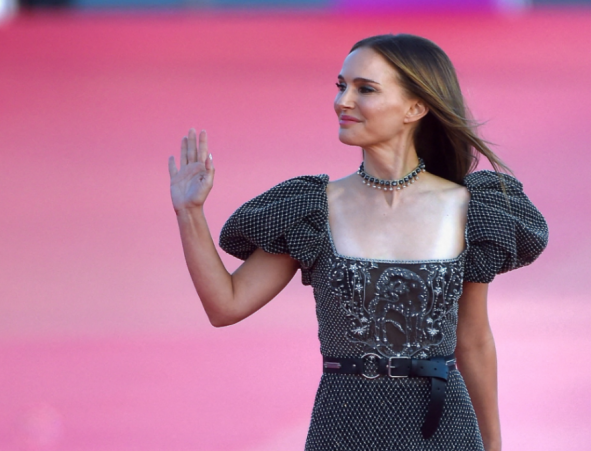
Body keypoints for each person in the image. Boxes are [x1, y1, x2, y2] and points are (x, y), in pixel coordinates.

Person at [168, 34, 548, 451]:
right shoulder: (311, 209)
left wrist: (492, 447)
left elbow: (473, 340)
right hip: (343, 428)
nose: (342, 101)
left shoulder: (468, 209)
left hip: (444, 430)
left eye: (364, 89)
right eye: (341, 86)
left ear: (415, 107)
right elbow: (226, 305)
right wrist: (190, 213)